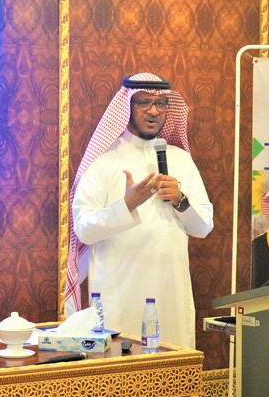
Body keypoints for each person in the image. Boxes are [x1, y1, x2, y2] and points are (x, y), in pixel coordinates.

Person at [66, 72, 213, 349]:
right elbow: (83, 230)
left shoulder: (181, 160)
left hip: (171, 293)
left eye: (160, 103)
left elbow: (203, 227)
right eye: (144, 102)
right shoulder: (104, 162)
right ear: (127, 106)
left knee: (171, 365)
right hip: (120, 295)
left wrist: (180, 200)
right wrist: (127, 205)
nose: (153, 111)